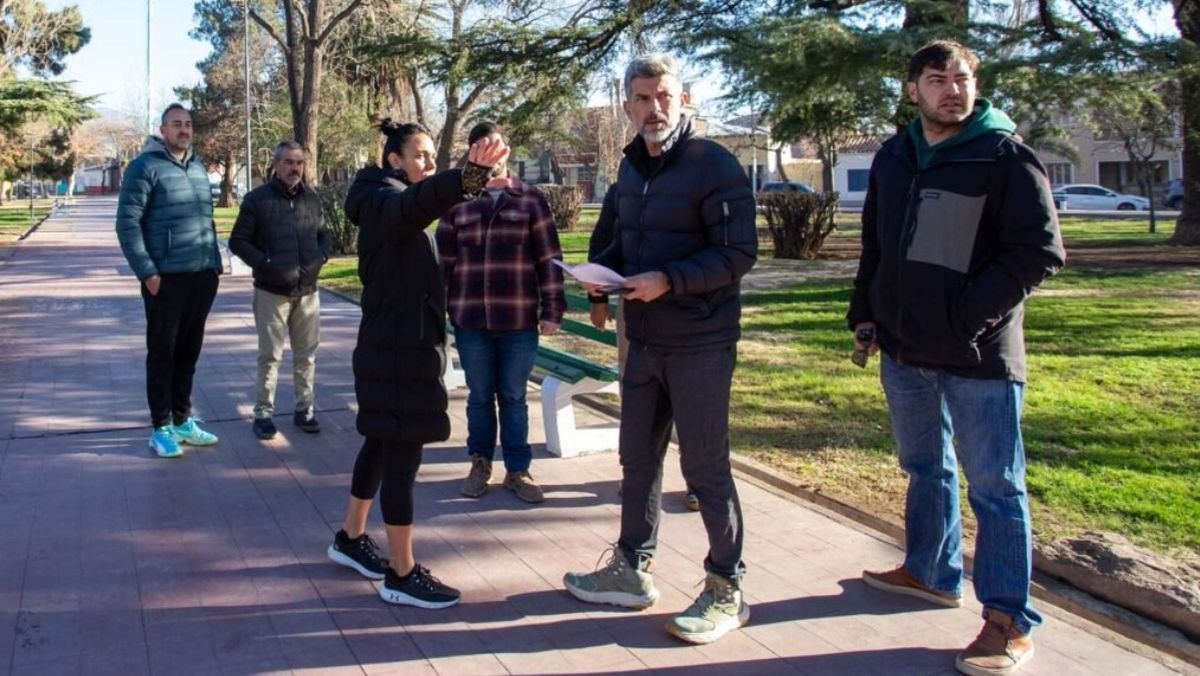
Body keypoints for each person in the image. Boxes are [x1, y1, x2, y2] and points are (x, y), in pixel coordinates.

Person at [846, 40, 1065, 676]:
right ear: (913, 89)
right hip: (905, 349)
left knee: (996, 488)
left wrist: (968, 316)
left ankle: (1007, 621)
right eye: (937, 79)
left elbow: (1037, 252)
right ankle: (931, 571)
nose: (951, 90)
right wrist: (866, 313)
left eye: (961, 79)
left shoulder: (1003, 155)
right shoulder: (894, 155)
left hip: (979, 358)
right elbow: (877, 246)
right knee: (924, 466)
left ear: (975, 85)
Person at [562, 53, 757, 645]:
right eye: (642, 98)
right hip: (643, 341)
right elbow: (621, 239)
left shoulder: (714, 165)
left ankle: (727, 588)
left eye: (665, 96)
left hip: (700, 341)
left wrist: (668, 278)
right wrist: (600, 275)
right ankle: (630, 568)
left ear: (684, 98)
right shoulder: (630, 169)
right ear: (627, 105)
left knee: (705, 468)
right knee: (636, 461)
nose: (655, 108)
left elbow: (738, 253)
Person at [325, 119, 507, 609]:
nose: (429, 163)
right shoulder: (388, 203)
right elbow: (415, 205)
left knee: (380, 445)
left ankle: (349, 537)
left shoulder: (382, 201)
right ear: (394, 160)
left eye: (432, 156)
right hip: (397, 353)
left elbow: (420, 209)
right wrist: (466, 175)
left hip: (394, 350)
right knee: (401, 458)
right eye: (421, 155)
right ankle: (401, 574)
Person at [437, 121, 565, 504]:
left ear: (507, 151)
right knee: (479, 397)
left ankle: (517, 468)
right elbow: (443, 264)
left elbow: (549, 259)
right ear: (472, 152)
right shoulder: (457, 203)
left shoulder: (530, 200)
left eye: (496, 145)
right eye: (481, 146)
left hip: (518, 320)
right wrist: (435, 316)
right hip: (471, 320)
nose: (490, 153)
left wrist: (553, 309)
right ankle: (479, 462)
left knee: (512, 396)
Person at [115, 103, 223, 458]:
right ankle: (160, 427)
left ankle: (182, 420)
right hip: (166, 279)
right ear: (162, 130)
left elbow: (206, 219)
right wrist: (148, 272)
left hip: (201, 275)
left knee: (188, 352)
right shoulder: (143, 167)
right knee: (163, 353)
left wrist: (214, 265)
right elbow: (127, 224)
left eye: (188, 124)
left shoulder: (197, 166)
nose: (184, 130)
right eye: (176, 124)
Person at [588, 183, 700, 512]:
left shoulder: (700, 181)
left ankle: (698, 483)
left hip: (691, 314)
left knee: (691, 400)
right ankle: (639, 476)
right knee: (638, 397)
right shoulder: (624, 188)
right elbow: (602, 242)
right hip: (635, 313)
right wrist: (598, 298)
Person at [229, 141, 331, 440]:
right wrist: (266, 263)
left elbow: (325, 235)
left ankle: (305, 409)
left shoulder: (312, 199)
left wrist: (320, 258)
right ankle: (263, 413)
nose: (294, 168)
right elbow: (238, 240)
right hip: (271, 292)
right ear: (276, 165)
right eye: (288, 162)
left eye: (298, 162)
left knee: (306, 355)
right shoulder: (257, 200)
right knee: (270, 356)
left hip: (307, 291)